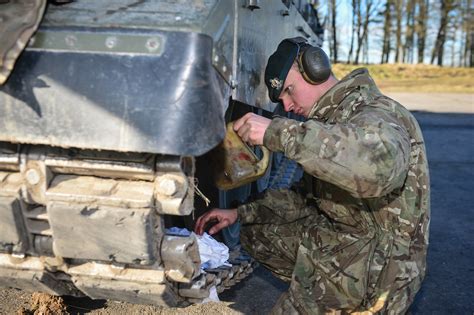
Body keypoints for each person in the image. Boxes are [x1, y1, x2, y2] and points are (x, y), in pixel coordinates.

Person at [195, 37, 430, 314]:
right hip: (347, 242)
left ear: (315, 68)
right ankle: (312, 279)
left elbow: (376, 168)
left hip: (378, 269)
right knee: (256, 231)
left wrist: (277, 132)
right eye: (281, 98)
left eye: (289, 91)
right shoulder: (330, 121)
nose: (287, 105)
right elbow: (304, 199)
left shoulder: (375, 111)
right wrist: (240, 213)